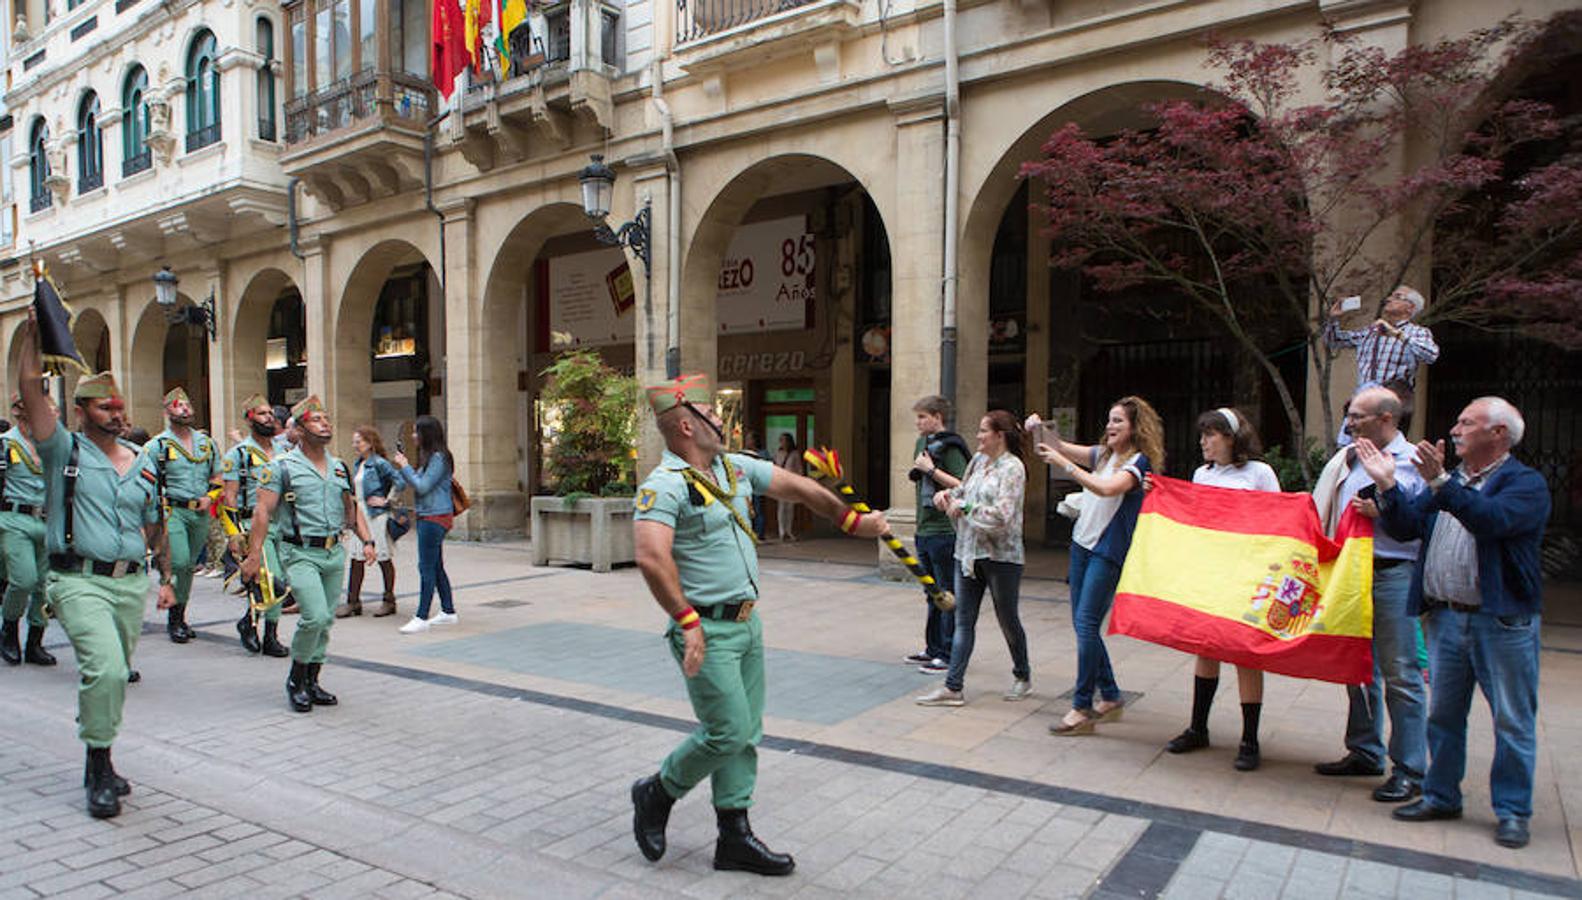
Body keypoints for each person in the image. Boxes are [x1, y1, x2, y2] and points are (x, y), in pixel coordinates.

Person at [629, 373, 887, 876]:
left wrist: (851, 522)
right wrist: (686, 621)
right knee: (726, 731)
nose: (721, 422)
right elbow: (650, 557)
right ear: (685, 424)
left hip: (747, 625)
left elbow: (801, 487)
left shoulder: (733, 469)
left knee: (746, 734)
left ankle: (734, 837)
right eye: (711, 414)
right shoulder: (663, 486)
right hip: (704, 629)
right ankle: (657, 792)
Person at [1360, 397, 1549, 849]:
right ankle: (1441, 795)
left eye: (1468, 422)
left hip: (1500, 622)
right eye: (1459, 419)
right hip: (1446, 617)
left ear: (1498, 434)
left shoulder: (1525, 484)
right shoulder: (1453, 481)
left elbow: (1490, 521)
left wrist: (1442, 482)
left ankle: (1513, 811)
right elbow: (1408, 527)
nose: (1457, 428)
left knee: (1512, 719)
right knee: (1443, 715)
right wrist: (1388, 488)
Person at [17, 313, 174, 819]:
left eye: (120, 406)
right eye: (105, 406)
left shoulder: (142, 459)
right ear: (81, 412)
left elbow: (155, 524)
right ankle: (97, 765)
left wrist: (167, 578)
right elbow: (28, 388)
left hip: (130, 584)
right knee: (105, 670)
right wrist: (33, 340)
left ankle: (101, 756)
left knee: (113, 675)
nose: (117, 412)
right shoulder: (64, 449)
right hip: (77, 580)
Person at [1309, 386, 1428, 803]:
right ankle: (1364, 750)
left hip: (1393, 574)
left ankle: (1411, 769)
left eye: (1358, 415)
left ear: (1386, 419)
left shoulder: (1413, 461)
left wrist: (1386, 507)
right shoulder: (1348, 459)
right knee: (1356, 667)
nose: (1350, 421)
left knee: (1400, 673)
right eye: (1349, 413)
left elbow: (1415, 523)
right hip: (1350, 572)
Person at [1031, 396, 1163, 736]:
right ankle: (1112, 695)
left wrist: (1064, 464)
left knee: (1087, 624)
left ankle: (1082, 706)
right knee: (1082, 624)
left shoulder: (1138, 463)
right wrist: (1040, 428)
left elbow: (1106, 489)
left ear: (1136, 426)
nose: (1110, 426)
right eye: (1109, 420)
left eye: (1118, 421)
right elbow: (1057, 444)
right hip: (1082, 546)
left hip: (1107, 552)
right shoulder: (1104, 454)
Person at [240, 395, 377, 713]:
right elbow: (262, 511)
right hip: (299, 552)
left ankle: (313, 680)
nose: (325, 423)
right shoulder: (281, 467)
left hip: (333, 552)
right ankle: (295, 678)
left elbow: (350, 508)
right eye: (316, 420)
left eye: (326, 419)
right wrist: (254, 555)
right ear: (299, 430)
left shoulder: (339, 467)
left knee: (326, 619)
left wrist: (368, 541)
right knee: (314, 615)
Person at [1163, 407, 1281, 770]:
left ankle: (1249, 739)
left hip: (1245, 573)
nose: (1204, 442)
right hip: (1210, 572)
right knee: (1206, 648)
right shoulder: (1202, 474)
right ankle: (1198, 727)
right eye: (1203, 435)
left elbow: (1278, 518)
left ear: (1231, 437)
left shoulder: (1259, 473)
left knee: (1245, 654)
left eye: (1211, 435)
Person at [915, 410, 1031, 706]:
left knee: (1008, 619)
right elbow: (963, 489)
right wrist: (947, 496)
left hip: (1001, 557)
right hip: (967, 552)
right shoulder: (978, 461)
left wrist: (964, 507)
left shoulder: (1013, 468)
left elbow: (1003, 516)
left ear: (999, 436)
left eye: (983, 431)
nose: (978, 436)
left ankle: (1022, 674)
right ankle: (953, 687)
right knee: (964, 621)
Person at [148, 387, 221, 644]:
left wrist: (210, 497)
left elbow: (218, 477)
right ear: (167, 411)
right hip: (173, 511)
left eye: (188, 405)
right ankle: (174, 619)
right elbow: (148, 482)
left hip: (199, 512)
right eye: (179, 406)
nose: (185, 409)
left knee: (189, 565)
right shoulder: (157, 446)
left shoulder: (207, 444)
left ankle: (181, 614)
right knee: (178, 562)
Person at [221, 395, 289, 657]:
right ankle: (269, 635)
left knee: (277, 581)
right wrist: (234, 533)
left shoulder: (284, 454)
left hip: (281, 524)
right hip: (253, 525)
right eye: (262, 414)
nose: (269, 418)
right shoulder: (238, 454)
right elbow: (229, 496)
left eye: (270, 413)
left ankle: (251, 624)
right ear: (250, 420)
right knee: (274, 580)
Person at [906, 395, 969, 675]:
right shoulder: (922, 443)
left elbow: (963, 484)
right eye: (917, 417)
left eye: (922, 417)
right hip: (924, 528)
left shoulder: (951, 445)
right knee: (931, 593)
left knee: (945, 593)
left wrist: (931, 470)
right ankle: (932, 649)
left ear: (937, 417)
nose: (918, 422)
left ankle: (946, 652)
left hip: (944, 530)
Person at [0, 393, 58, 667]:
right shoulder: (5, 445)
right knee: (23, 579)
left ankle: (35, 641)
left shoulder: (51, 446)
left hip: (46, 520)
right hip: (14, 519)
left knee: (43, 585)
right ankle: (9, 631)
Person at [393, 416, 456, 634]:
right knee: (435, 564)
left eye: (416, 432)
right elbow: (410, 482)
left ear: (426, 434)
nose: (413, 436)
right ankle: (448, 611)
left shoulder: (438, 458)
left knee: (426, 567)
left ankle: (422, 616)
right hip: (430, 515)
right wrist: (402, 469)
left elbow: (422, 486)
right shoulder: (429, 457)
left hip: (434, 517)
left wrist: (406, 467)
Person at [1324, 285, 1440, 391]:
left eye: (1397, 297)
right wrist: (1333, 318)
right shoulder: (1372, 330)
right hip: (1364, 397)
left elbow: (1431, 355)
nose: (1389, 299)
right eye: (1390, 296)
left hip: (1394, 399)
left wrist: (1397, 334)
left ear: (1410, 308)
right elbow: (1333, 341)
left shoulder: (1417, 332)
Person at [339, 425, 402, 618]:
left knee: (383, 557)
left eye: (359, 441)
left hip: (377, 516)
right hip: (361, 515)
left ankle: (389, 600)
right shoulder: (359, 463)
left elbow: (400, 480)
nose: (355, 445)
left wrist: (388, 500)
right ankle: (353, 601)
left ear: (370, 442)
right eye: (354, 442)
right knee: (356, 558)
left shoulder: (380, 463)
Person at [771, 434, 803, 541]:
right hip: (781, 482)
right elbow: (774, 466)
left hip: (791, 482)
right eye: (780, 440)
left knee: (790, 508)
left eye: (783, 440)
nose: (782, 443)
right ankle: (782, 531)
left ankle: (788, 530)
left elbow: (799, 468)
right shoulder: (778, 453)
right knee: (781, 507)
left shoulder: (794, 454)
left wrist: (800, 480)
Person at [742, 431, 767, 540]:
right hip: (747, 486)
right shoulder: (744, 453)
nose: (747, 441)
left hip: (757, 485)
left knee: (758, 509)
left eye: (749, 439)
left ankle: (759, 533)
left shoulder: (762, 454)